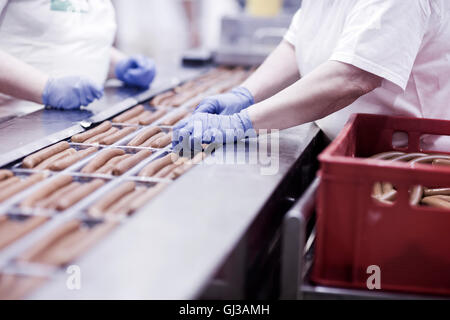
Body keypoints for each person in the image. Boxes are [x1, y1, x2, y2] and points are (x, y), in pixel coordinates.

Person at [173, 0, 450, 148]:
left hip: (405, 161)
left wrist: (243, 122)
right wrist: (245, 94)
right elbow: (297, 43)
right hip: (348, 150)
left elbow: (352, 77)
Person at [0, 0, 156, 110]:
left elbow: (69, 41)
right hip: (19, 122)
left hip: (85, 118)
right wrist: (46, 88)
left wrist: (119, 65)